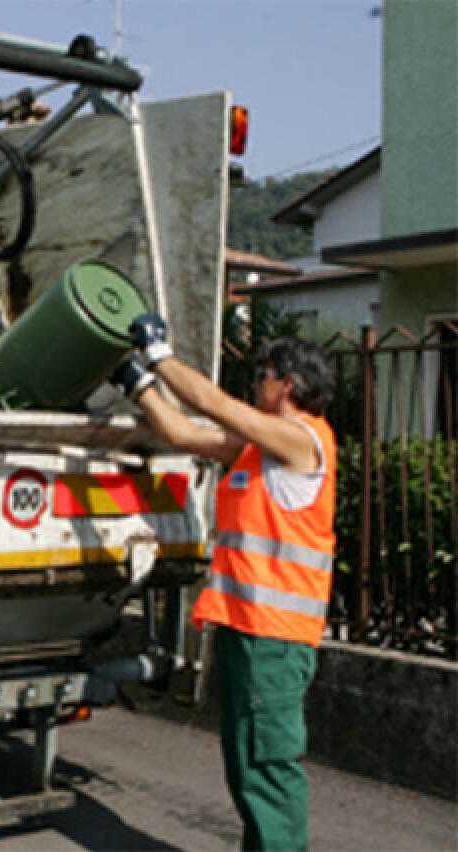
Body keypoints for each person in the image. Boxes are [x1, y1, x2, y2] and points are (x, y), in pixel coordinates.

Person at [110, 315, 336, 852]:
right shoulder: (257, 450)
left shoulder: (302, 439)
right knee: (247, 766)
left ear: (290, 385)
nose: (256, 383)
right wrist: (136, 383)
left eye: (264, 375)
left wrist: (160, 353)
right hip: (248, 632)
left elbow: (212, 404)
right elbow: (184, 432)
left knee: (268, 769)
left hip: (275, 640)